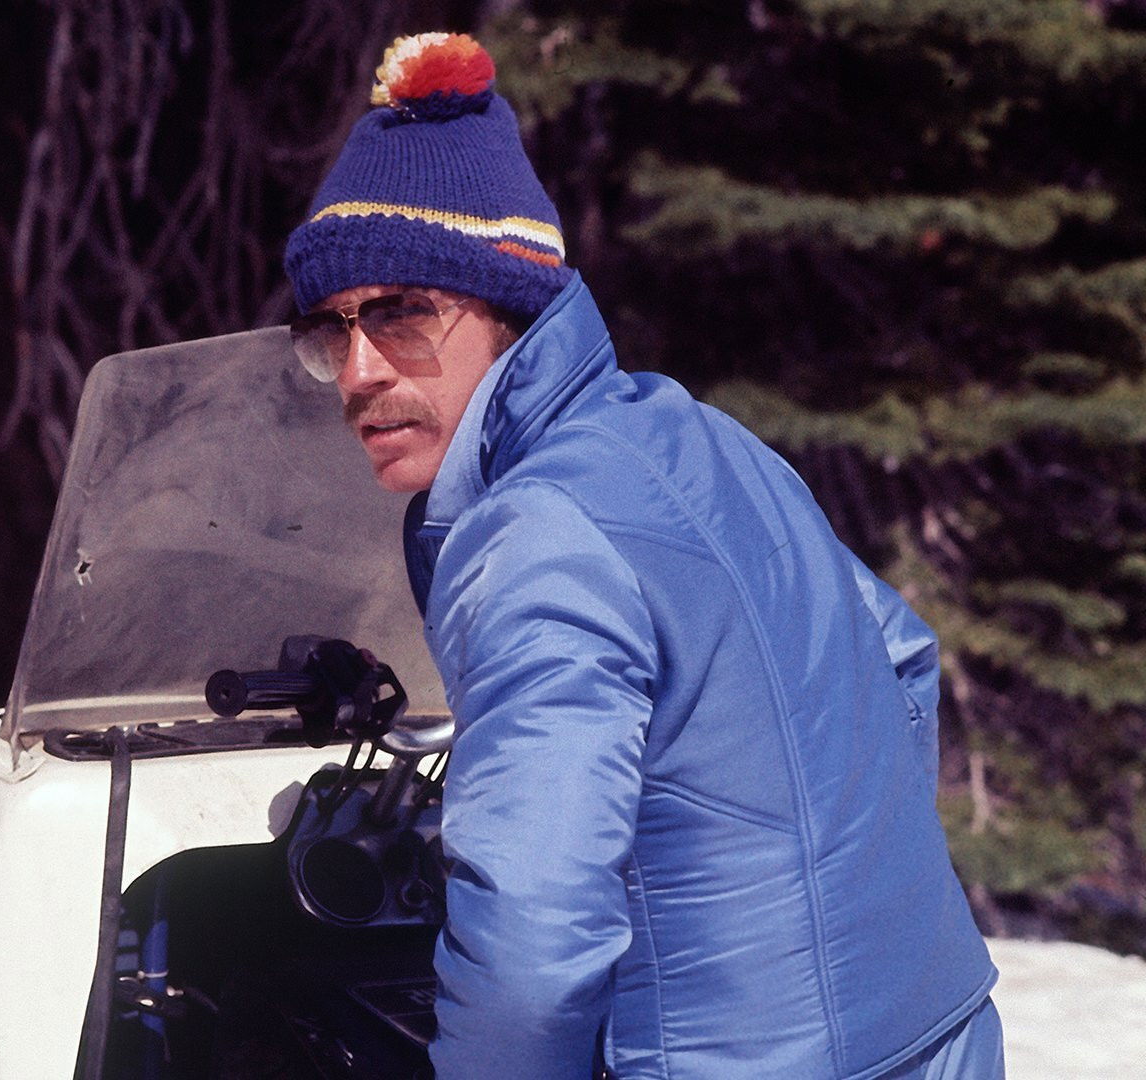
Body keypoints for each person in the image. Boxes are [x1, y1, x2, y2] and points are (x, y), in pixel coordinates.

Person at [280, 32, 1004, 1080]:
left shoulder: (533, 533)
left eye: (401, 316)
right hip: (937, 1031)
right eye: (329, 329)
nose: (357, 371)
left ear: (509, 308)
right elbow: (900, 656)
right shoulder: (697, 436)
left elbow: (532, 937)